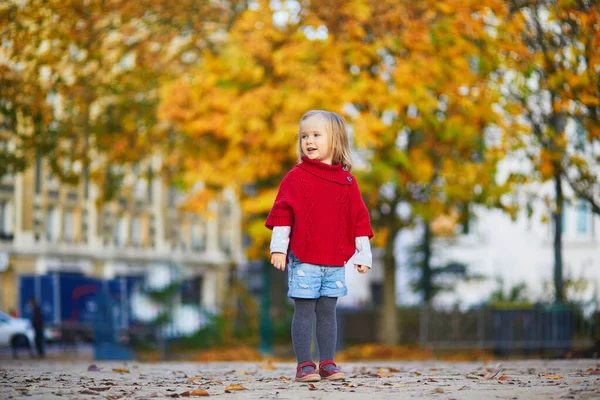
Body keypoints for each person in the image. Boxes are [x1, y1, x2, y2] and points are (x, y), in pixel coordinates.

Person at [265, 110, 373, 382]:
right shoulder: (295, 177)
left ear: (335, 141)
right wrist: (278, 248)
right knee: (304, 310)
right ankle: (304, 365)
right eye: (304, 136)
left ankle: (328, 362)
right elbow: (282, 214)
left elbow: (359, 220)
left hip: (334, 261)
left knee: (327, 311)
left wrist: (363, 254)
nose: (308, 141)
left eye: (315, 135)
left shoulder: (348, 183)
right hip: (304, 258)